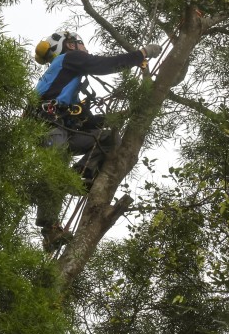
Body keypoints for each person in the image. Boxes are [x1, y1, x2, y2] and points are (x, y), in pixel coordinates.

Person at [31, 30, 162, 250]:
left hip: (64, 128)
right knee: (54, 167)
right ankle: (49, 229)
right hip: (49, 127)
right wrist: (141, 54)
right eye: (81, 44)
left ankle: (79, 177)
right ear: (70, 45)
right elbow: (103, 65)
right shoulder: (70, 59)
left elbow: (88, 122)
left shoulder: (67, 82)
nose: (85, 49)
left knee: (107, 138)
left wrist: (122, 115)